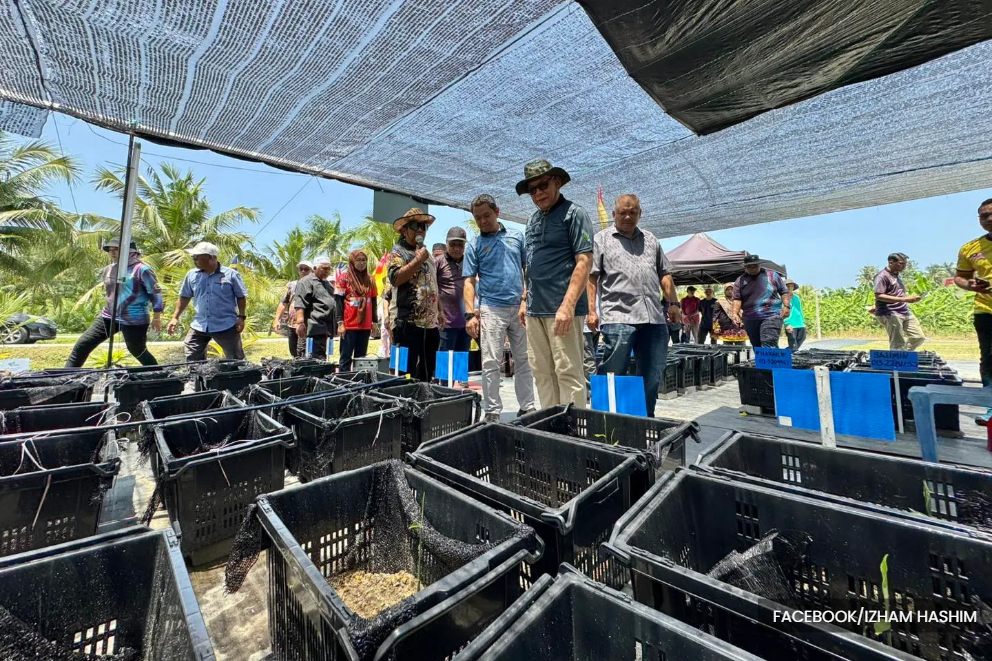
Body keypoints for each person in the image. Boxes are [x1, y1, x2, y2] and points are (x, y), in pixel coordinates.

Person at [586, 194, 681, 416]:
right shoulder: (601, 239)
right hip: (619, 318)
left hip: (654, 320)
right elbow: (592, 278)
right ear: (614, 214)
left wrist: (674, 303)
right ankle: (606, 422)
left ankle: (645, 420)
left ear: (640, 213)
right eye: (622, 212)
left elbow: (664, 275)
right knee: (612, 373)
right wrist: (591, 310)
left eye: (633, 212)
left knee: (652, 374)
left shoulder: (651, 240)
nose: (627, 216)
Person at [518, 159, 593, 408]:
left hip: (561, 310)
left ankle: (572, 436)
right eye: (532, 189)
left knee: (568, 373)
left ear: (557, 182)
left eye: (543, 185)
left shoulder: (574, 214)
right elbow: (533, 263)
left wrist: (568, 306)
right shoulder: (532, 221)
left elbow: (584, 261)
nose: (538, 193)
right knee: (541, 372)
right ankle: (549, 428)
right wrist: (524, 299)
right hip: (535, 309)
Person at [464, 194, 536, 420]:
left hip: (519, 308)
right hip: (491, 309)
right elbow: (468, 280)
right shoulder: (474, 244)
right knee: (490, 362)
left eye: (486, 215)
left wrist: (526, 299)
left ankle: (528, 407)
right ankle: (493, 411)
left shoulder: (516, 237)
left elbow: (528, 270)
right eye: (478, 218)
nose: (483, 221)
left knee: (524, 360)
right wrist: (470, 314)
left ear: (497, 211)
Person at [65, 238, 163, 367]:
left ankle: (158, 375)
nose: (112, 253)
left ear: (130, 251)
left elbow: (155, 294)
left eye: (116, 249)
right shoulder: (108, 269)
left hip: (134, 318)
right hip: (108, 316)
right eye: (110, 250)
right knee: (83, 344)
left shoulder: (142, 269)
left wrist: (157, 318)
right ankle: (66, 377)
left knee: (137, 351)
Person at [387, 208, 443, 381]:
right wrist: (417, 260)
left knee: (428, 369)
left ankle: (423, 402)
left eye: (423, 226)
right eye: (414, 225)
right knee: (402, 371)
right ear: (404, 230)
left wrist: (440, 310)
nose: (420, 230)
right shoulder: (397, 252)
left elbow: (433, 284)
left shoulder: (427, 255)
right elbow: (395, 278)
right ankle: (400, 401)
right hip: (406, 323)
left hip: (430, 325)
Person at [167, 242, 247, 360]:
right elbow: (184, 297)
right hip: (199, 325)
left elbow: (241, 297)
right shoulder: (191, 275)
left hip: (225, 325)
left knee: (235, 359)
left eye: (196, 257)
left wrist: (241, 317)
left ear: (210, 257)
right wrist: (175, 317)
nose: (194, 259)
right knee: (192, 357)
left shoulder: (231, 275)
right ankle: (197, 377)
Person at [953, 198, 992, 424]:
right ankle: (990, 407)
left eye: (991, 214)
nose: (988, 219)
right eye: (983, 216)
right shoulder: (970, 248)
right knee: (988, 359)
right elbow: (960, 276)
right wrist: (970, 285)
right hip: (985, 310)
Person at [732, 255, 791, 348]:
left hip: (771, 315)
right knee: (757, 346)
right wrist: (735, 313)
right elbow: (737, 299)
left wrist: (787, 306)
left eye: (755, 266)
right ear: (745, 267)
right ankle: (764, 362)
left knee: (768, 343)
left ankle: (770, 362)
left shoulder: (772, 275)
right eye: (749, 267)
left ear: (759, 265)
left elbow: (784, 292)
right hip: (750, 318)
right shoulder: (740, 280)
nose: (752, 269)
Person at [873, 252, 926, 351]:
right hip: (890, 313)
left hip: (904, 310)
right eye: (901, 263)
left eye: (905, 264)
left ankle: (903, 355)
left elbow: (894, 293)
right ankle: (897, 361)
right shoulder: (882, 276)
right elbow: (879, 295)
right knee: (897, 343)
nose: (904, 266)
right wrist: (906, 299)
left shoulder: (897, 276)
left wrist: (911, 298)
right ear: (891, 263)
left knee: (918, 337)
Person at [336, 250, 378, 370]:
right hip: (349, 325)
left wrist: (374, 322)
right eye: (358, 260)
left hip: (365, 325)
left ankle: (358, 384)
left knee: (361, 358)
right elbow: (338, 302)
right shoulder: (343, 278)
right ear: (352, 261)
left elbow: (373, 301)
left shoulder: (371, 279)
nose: (361, 263)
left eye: (364, 260)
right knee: (345, 357)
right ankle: (344, 382)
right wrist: (340, 323)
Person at [292, 256, 339, 361]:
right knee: (312, 359)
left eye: (328, 269)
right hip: (314, 328)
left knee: (323, 359)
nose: (327, 271)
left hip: (327, 329)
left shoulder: (327, 283)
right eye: (324, 268)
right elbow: (300, 303)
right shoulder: (306, 282)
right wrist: (300, 323)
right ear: (314, 268)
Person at [435, 227, 470, 353]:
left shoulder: (469, 262)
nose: (456, 248)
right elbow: (433, 288)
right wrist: (438, 311)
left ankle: (459, 374)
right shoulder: (438, 262)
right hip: (446, 323)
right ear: (446, 244)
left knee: (461, 364)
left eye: (460, 245)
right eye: (453, 244)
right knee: (444, 365)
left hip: (466, 322)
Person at [272, 260, 312, 358]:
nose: (303, 271)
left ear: (311, 271)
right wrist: (277, 319)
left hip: (305, 324)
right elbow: (283, 303)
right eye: (301, 269)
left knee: (302, 350)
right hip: (291, 324)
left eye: (306, 269)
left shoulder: (314, 285)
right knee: (293, 350)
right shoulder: (292, 285)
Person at [784, 279, 807, 351]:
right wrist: (787, 324)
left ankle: (788, 351)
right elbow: (782, 312)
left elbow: (800, 310)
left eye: (791, 286)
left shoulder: (796, 298)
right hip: (791, 324)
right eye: (787, 286)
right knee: (793, 344)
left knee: (802, 338)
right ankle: (791, 356)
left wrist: (803, 321)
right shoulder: (783, 298)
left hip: (800, 323)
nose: (789, 288)